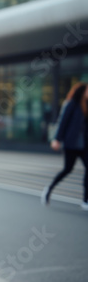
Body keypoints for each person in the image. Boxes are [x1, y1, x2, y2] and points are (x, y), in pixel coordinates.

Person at [42, 82, 88, 210]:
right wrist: (57, 139)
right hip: (71, 144)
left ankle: (85, 200)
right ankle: (49, 189)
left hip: (84, 145)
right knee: (67, 169)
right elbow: (63, 122)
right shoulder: (71, 104)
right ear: (82, 91)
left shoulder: (86, 106)